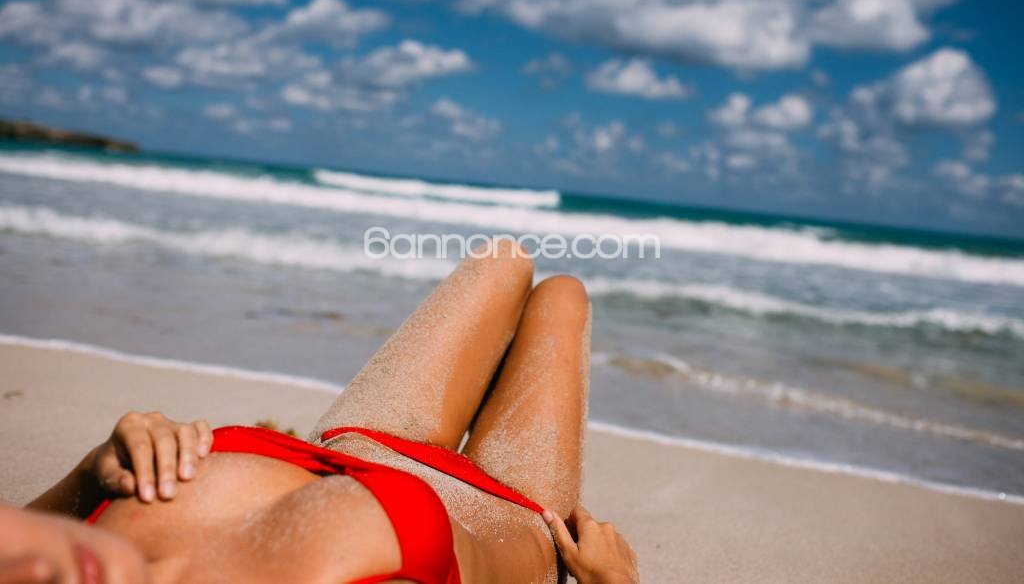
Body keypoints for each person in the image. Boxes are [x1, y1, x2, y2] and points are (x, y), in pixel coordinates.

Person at [0, 239, 639, 584]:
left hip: (363, 440)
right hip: (507, 513)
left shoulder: (53, 550)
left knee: (505, 258)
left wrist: (93, 470)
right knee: (563, 295)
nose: (33, 571)